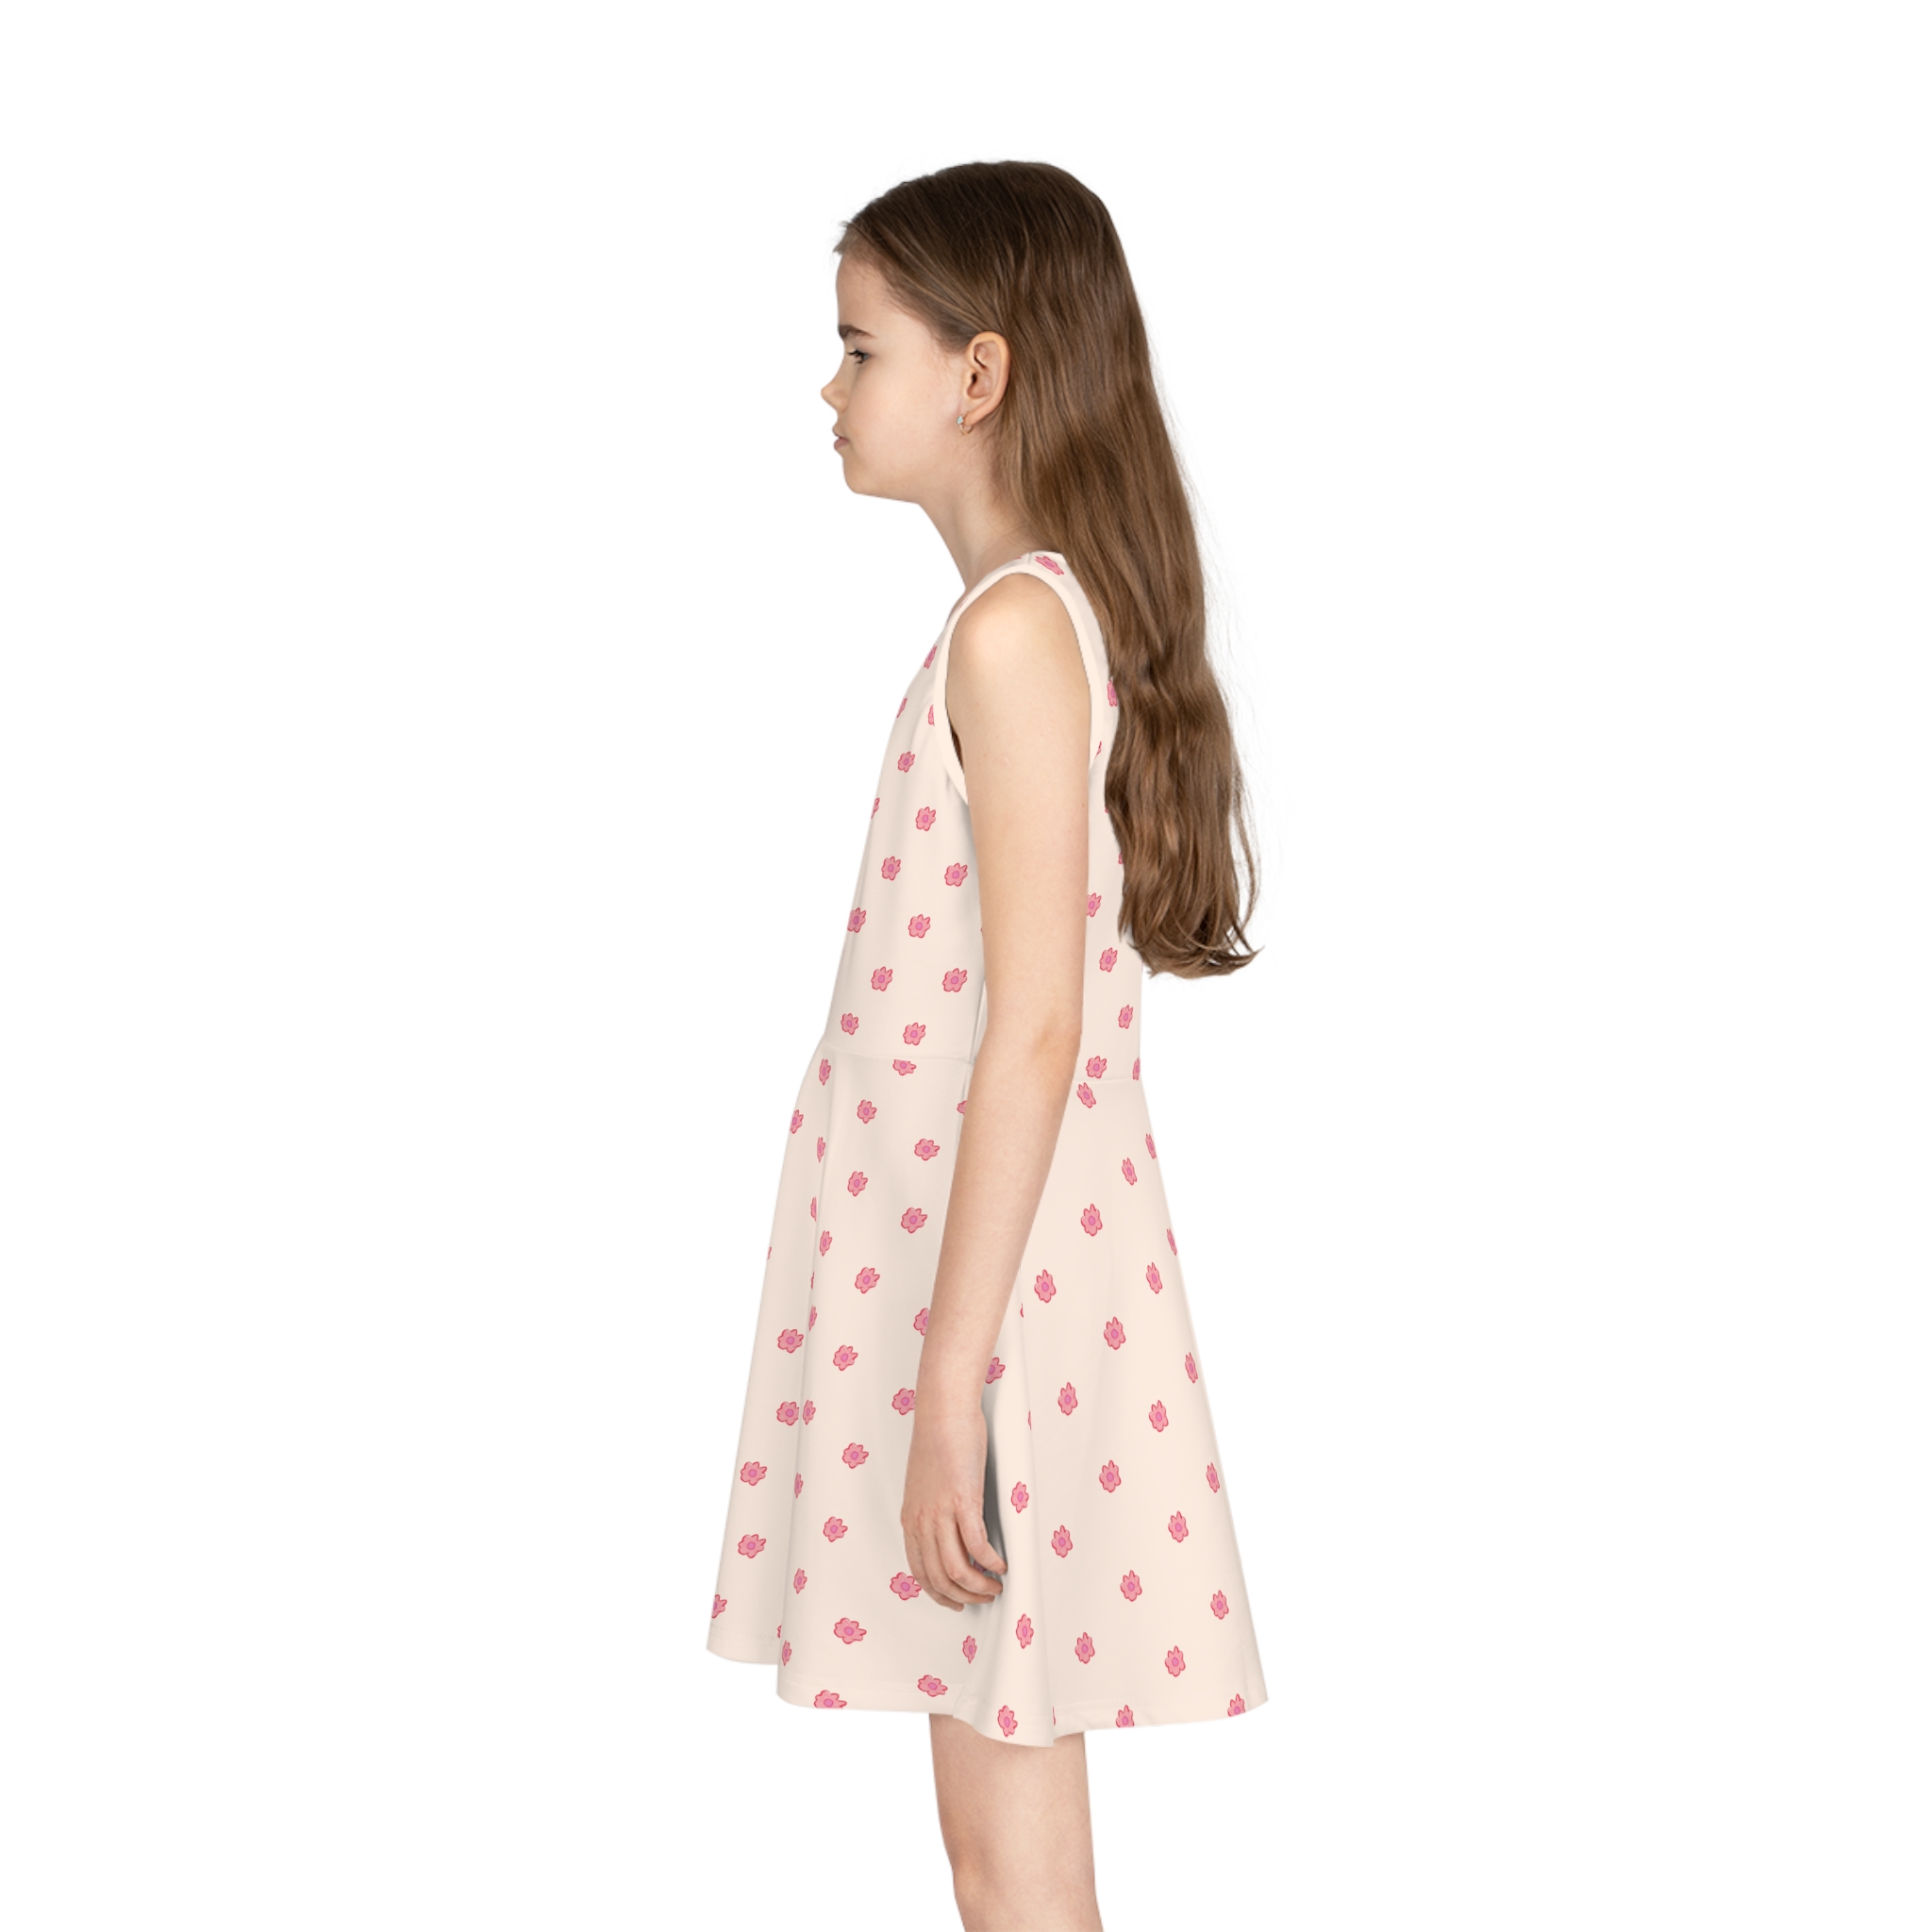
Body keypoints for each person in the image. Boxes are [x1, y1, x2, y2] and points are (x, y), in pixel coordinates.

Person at [706, 158, 1268, 1932]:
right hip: (976, 1279)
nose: (827, 388)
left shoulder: (1016, 633)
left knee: (1011, 1870)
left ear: (979, 373)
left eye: (859, 348)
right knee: (1000, 1856)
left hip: (989, 1307)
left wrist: (946, 1393)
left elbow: (1034, 1029)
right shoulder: (1019, 623)